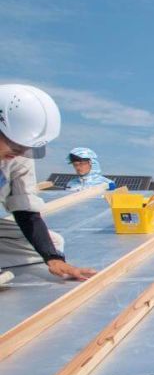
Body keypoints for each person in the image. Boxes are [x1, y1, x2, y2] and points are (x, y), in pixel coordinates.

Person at [0, 84, 96, 287]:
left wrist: (53, 258)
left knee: (54, 243)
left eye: (26, 148)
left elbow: (26, 211)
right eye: (16, 146)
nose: (19, 153)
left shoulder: (19, 158)